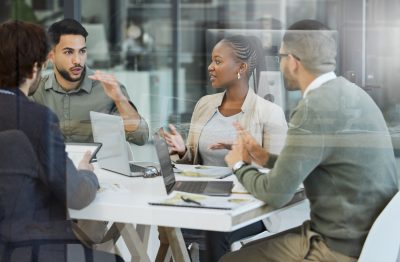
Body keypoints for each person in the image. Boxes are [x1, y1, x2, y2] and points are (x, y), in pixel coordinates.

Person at [222, 19, 399, 262]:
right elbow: (319, 158)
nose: (280, 63)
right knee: (243, 252)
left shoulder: (312, 109)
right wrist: (265, 158)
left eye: (281, 57)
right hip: (371, 242)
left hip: (339, 249)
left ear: (293, 61)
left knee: (231, 259)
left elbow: (275, 194)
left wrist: (238, 165)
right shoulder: (353, 93)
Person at [0, 20, 122, 262]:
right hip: (35, 248)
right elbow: (76, 194)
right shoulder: (36, 119)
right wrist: (87, 173)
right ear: (36, 68)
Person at [163, 35, 288, 261]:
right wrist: (183, 152)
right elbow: (195, 164)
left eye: (218, 61)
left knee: (215, 231)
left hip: (251, 206)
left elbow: (279, 175)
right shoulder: (205, 105)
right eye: (211, 61)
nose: (210, 67)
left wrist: (246, 157)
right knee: (169, 224)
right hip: (204, 199)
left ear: (241, 67)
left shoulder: (270, 113)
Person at [31, 18, 149, 144]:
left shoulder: (108, 88)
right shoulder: (36, 90)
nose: (77, 60)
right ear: (51, 56)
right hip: (49, 163)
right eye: (68, 52)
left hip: (96, 164)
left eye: (82, 51)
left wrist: (120, 99)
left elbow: (140, 137)